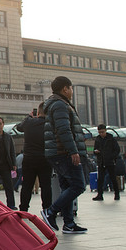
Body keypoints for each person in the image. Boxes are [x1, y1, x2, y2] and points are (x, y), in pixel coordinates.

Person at [41, 76, 88, 234]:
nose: (72, 91)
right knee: (78, 185)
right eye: (71, 88)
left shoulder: (56, 104)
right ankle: (51, 212)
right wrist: (73, 150)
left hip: (58, 152)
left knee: (67, 187)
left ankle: (69, 223)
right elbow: (63, 130)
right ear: (65, 89)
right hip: (63, 152)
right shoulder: (60, 105)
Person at [15, 104, 51, 213]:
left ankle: (23, 209)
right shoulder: (49, 124)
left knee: (27, 185)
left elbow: (19, 127)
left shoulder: (29, 122)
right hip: (45, 158)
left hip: (29, 158)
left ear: (38, 112)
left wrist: (29, 117)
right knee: (46, 185)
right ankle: (47, 209)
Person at [92, 124, 121, 201]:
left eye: (102, 132)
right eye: (100, 132)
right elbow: (94, 149)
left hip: (110, 162)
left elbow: (117, 150)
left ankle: (117, 194)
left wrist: (112, 157)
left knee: (113, 178)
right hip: (101, 161)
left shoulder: (111, 139)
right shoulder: (98, 139)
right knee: (100, 179)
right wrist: (96, 152)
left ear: (105, 131)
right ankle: (100, 195)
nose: (101, 134)